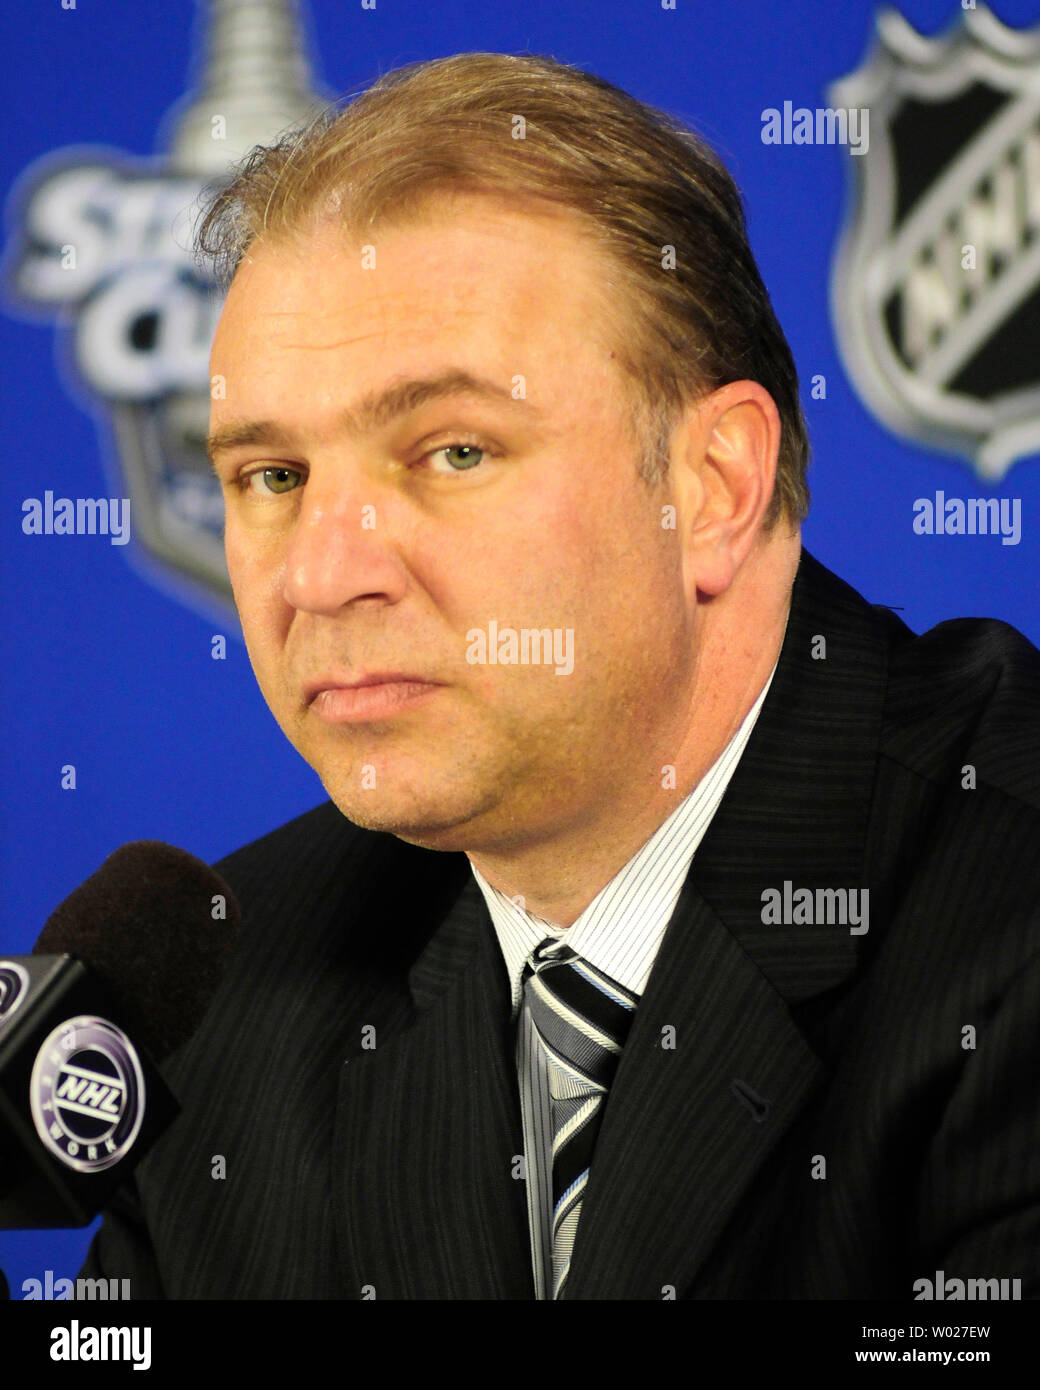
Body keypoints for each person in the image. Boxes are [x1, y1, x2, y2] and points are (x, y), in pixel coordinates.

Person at [81, 51, 1040, 1300]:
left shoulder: (1004, 918)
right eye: (274, 476)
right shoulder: (227, 994)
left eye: (452, 450)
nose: (321, 575)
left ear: (710, 489)